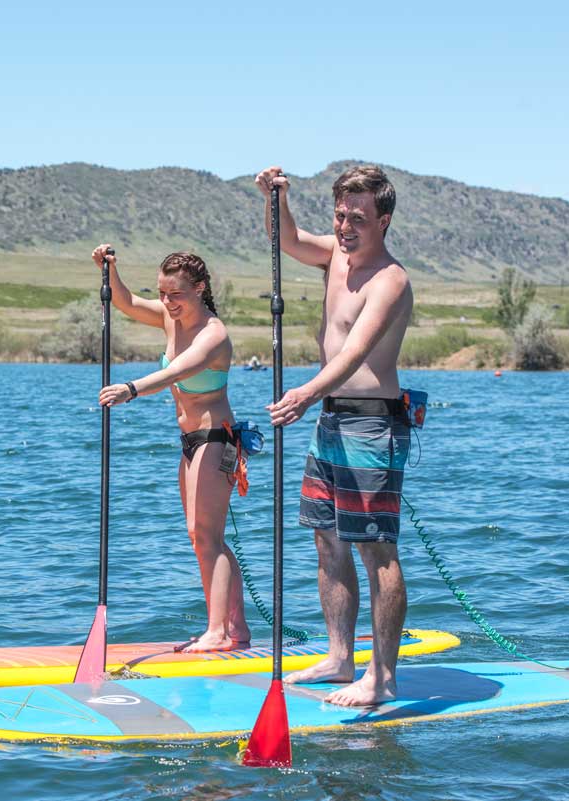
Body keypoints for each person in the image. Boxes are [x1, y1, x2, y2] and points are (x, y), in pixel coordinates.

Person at [255, 165, 414, 706]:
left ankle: (383, 677)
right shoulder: (335, 256)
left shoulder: (391, 280)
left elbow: (353, 355)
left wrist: (303, 394)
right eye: (340, 215)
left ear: (383, 220)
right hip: (330, 419)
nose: (345, 227)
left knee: (377, 551)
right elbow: (290, 240)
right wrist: (276, 199)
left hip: (372, 422)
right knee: (327, 540)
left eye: (358, 218)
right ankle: (341, 657)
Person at [92, 247, 251, 653]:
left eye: (175, 294)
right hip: (189, 442)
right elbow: (125, 302)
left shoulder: (214, 333)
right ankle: (235, 628)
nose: (167, 302)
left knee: (206, 536)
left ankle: (218, 631)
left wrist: (131, 389)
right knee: (201, 537)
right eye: (162, 293)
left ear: (199, 288)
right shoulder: (168, 316)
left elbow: (178, 370)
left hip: (217, 437)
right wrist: (111, 270)